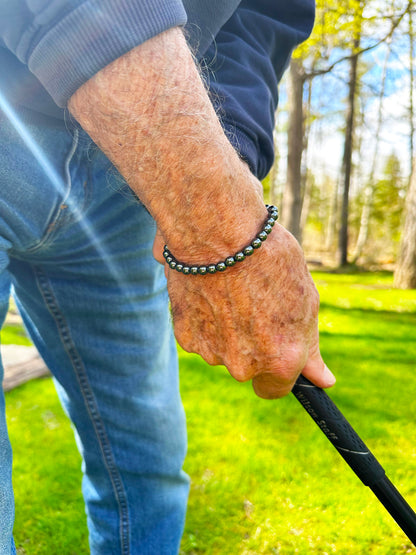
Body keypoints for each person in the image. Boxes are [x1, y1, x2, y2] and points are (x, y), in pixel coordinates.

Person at [0, 1, 335, 553]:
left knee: (148, 459)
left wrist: (231, 149)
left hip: (126, 173)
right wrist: (216, 217)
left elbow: (264, 15)